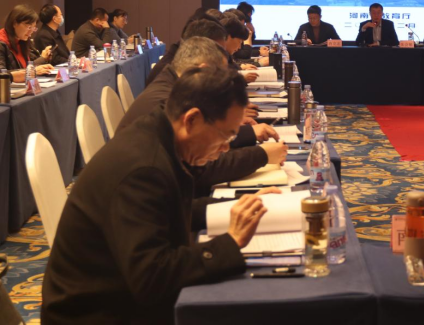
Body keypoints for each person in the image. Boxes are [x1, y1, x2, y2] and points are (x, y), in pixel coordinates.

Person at [42, 66, 274, 324]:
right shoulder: (143, 169)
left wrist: (237, 206)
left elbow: (174, 210)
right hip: (95, 314)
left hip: (117, 296)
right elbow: (152, 278)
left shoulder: (160, 135)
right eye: (226, 135)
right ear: (192, 120)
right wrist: (229, 243)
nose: (226, 148)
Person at [117, 37, 286, 193]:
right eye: (220, 75)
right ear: (203, 70)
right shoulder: (164, 104)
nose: (225, 147)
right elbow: (201, 169)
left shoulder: (175, 89)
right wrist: (260, 155)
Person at [146, 11, 227, 86]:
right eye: (219, 51)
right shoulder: (174, 71)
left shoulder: (179, 59)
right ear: (201, 44)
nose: (222, 56)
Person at [0, 5, 54, 82]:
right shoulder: (2, 43)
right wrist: (33, 71)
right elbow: (2, 75)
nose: (31, 31)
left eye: (33, 27)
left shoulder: (22, 41)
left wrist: (38, 67)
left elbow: (25, 66)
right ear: (14, 23)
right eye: (29, 27)